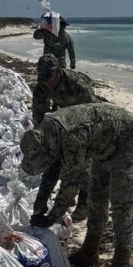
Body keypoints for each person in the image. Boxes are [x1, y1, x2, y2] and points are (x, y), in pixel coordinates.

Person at [21, 103, 133, 267]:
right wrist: (41, 200)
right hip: (101, 147)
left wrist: (51, 218)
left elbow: (70, 184)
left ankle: (122, 265)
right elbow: (52, 168)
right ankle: (90, 249)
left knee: (122, 204)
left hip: (130, 141)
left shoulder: (70, 137)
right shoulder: (46, 134)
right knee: (96, 196)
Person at [30, 54, 102, 223]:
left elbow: (94, 113)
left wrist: (84, 141)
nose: (47, 82)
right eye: (43, 77)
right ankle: (42, 202)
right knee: (53, 160)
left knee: (84, 164)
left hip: (89, 119)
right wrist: (42, 139)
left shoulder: (78, 85)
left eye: (49, 78)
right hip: (64, 118)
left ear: (58, 72)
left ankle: (84, 204)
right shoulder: (42, 83)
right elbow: (39, 114)